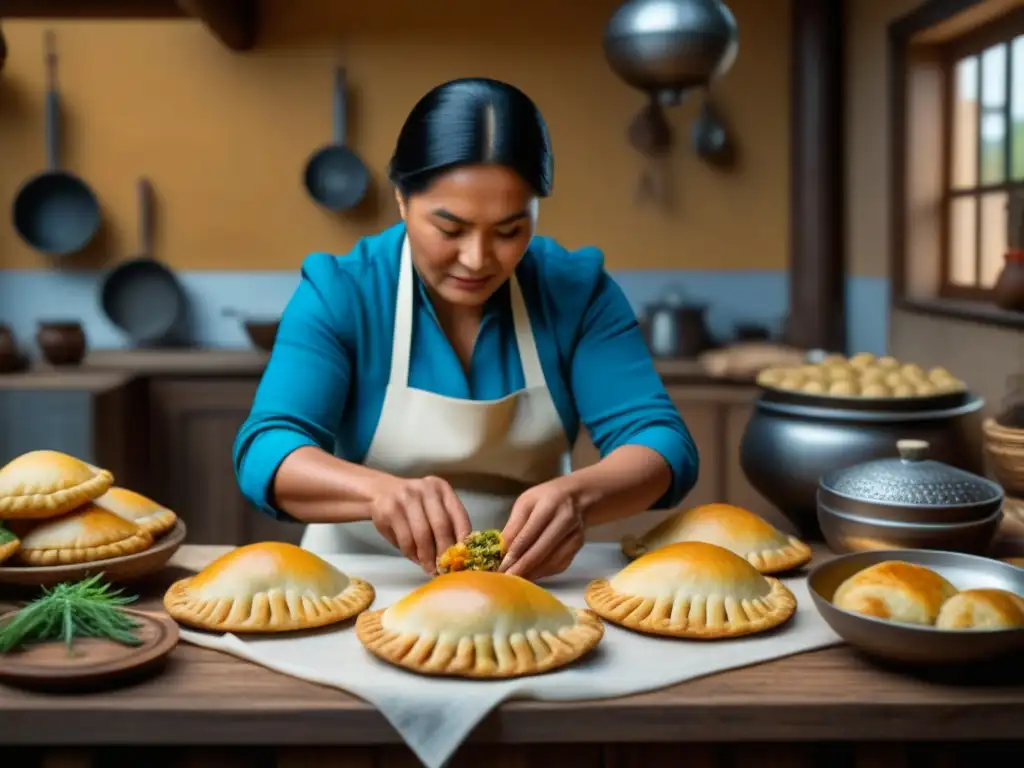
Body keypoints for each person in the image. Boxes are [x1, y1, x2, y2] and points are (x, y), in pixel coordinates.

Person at [233, 77, 699, 581]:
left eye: (509, 231)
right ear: (401, 199)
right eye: (450, 229)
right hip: (358, 578)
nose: (477, 260)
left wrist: (580, 496)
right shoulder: (343, 290)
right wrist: (380, 493)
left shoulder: (575, 290)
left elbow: (661, 442)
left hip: (525, 585)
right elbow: (268, 447)